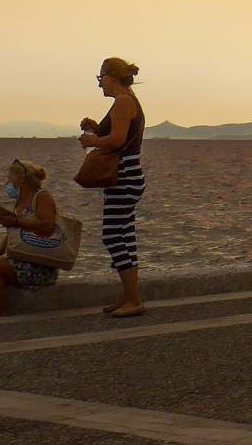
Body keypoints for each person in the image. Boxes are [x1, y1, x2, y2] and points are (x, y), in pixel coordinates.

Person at [80, 56, 146, 317]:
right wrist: (97, 129)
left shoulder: (122, 101)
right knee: (125, 236)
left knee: (112, 236)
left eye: (101, 78)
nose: (100, 85)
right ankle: (130, 298)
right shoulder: (129, 100)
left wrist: (92, 140)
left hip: (123, 176)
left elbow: (117, 140)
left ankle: (133, 300)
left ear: (112, 76)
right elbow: (123, 135)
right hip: (128, 174)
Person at [0, 160, 59, 317]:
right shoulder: (19, 202)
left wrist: (16, 221)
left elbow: (48, 226)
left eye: (10, 177)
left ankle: (0, 311)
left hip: (38, 263)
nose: (7, 182)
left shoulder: (42, 197)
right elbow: (14, 233)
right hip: (20, 259)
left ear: (21, 179)